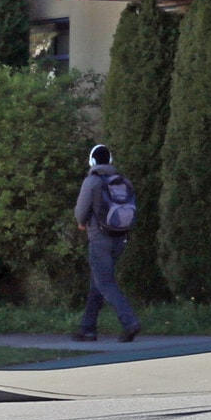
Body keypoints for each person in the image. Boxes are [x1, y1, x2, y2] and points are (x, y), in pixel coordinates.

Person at [72, 144, 142, 342]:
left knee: (105, 282)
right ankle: (88, 328)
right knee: (98, 282)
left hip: (99, 237)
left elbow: (81, 210)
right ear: (110, 160)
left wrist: (81, 223)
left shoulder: (92, 181)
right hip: (120, 237)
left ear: (92, 161)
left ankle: (130, 322)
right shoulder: (123, 181)